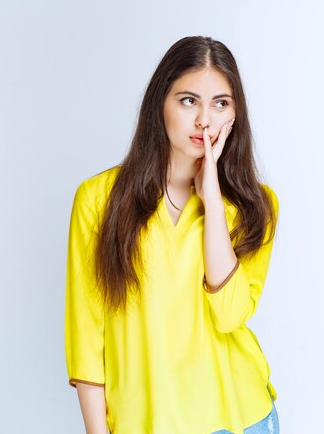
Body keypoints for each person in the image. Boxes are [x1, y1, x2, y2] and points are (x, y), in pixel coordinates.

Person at [64, 36, 281, 433]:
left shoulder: (255, 206)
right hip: (145, 422)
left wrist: (212, 201)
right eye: (188, 101)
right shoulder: (98, 200)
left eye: (221, 103)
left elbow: (231, 315)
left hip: (237, 419)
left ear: (236, 114)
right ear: (159, 105)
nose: (204, 120)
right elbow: (87, 334)